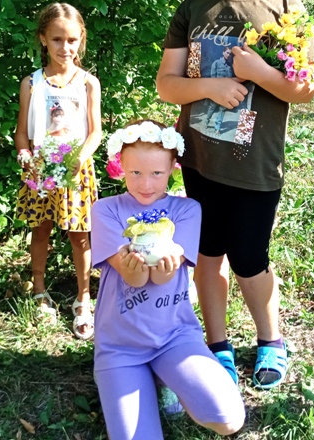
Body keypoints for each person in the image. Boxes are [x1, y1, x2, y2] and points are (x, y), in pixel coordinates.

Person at [156, 0, 314, 389]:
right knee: (207, 254)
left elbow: (306, 88)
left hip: (256, 165)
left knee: (250, 259)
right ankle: (218, 343)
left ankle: (271, 340)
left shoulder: (285, 7)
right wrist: (210, 87)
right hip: (200, 161)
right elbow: (167, 85)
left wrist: (259, 72)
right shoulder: (194, 9)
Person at [92, 120, 245, 440]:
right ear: (121, 167)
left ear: (173, 167)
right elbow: (134, 279)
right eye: (135, 172)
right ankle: (136, 378)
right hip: (120, 347)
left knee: (229, 418)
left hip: (174, 338)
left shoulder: (187, 210)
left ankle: (168, 379)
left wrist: (166, 266)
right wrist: (135, 264)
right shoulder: (105, 210)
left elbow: (163, 277)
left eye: (156, 173)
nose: (146, 183)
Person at [14, 3, 101, 340]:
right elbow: (22, 132)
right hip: (40, 169)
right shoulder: (32, 84)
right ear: (43, 39)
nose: (65, 47)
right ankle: (39, 290)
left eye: (72, 40)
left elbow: (95, 132)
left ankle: (83, 298)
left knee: (81, 235)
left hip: (76, 171)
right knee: (41, 231)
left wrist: (81, 157)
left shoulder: (88, 83)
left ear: (81, 40)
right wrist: (24, 154)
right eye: (57, 39)